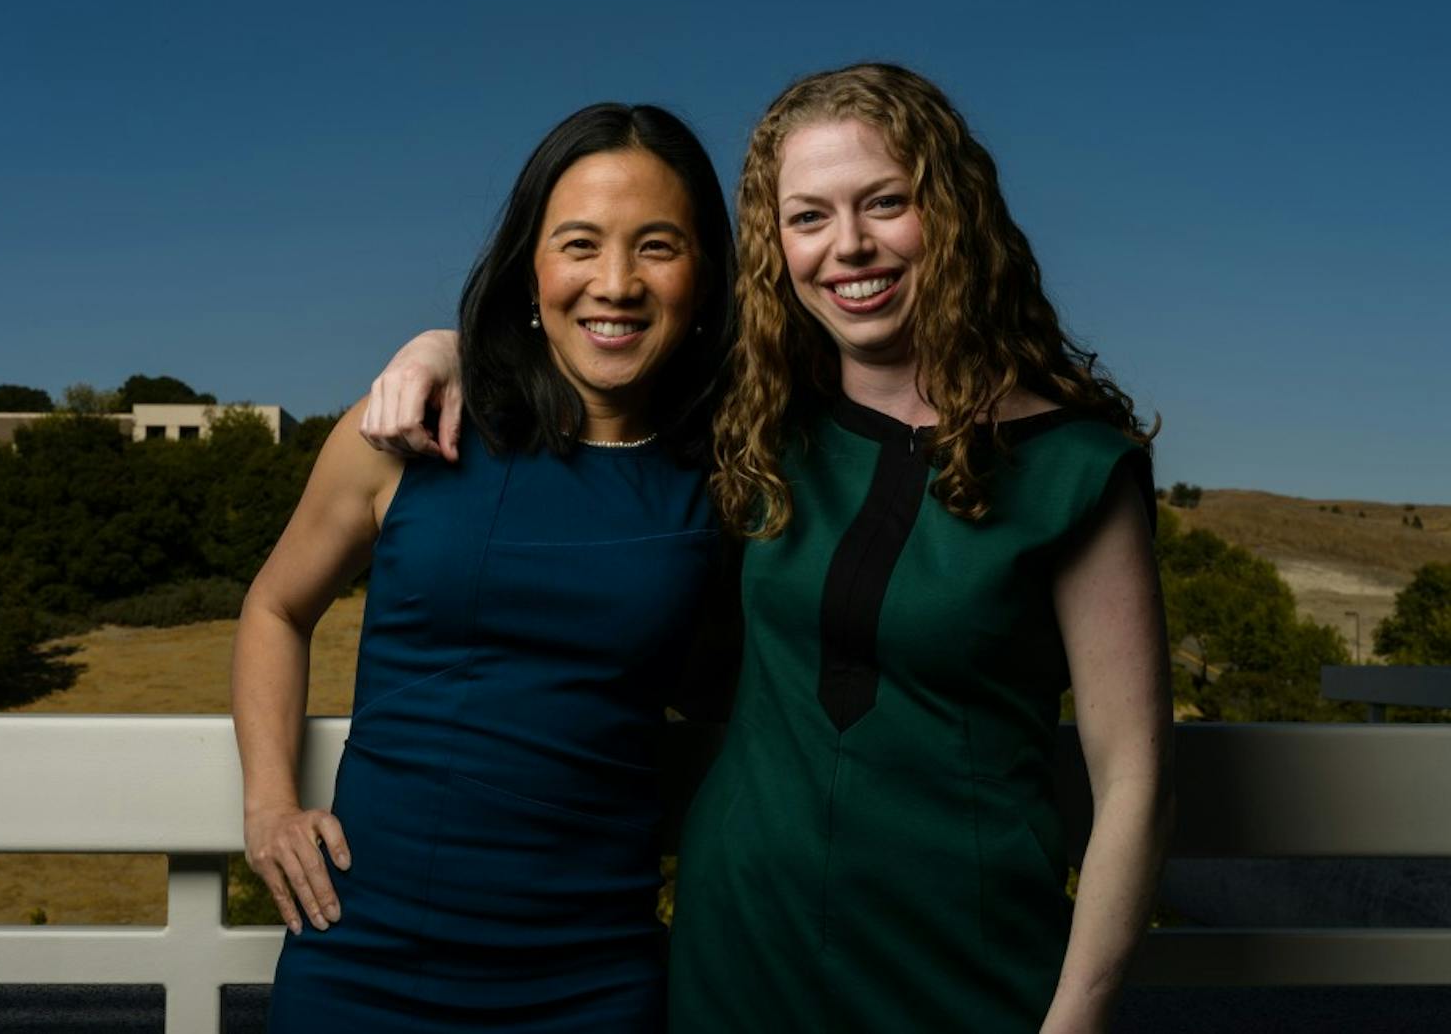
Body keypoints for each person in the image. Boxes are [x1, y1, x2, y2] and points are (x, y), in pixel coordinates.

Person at [363, 63, 1173, 1033]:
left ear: (954, 213)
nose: (849, 245)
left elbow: (1134, 782)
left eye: (886, 202)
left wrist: (1076, 1019)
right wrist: (442, 347)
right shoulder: (754, 430)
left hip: (969, 971)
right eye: (808, 217)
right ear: (773, 246)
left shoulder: (1075, 469)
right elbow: (598, 354)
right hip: (735, 961)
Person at [231, 101, 736, 1032]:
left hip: (592, 974)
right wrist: (269, 804)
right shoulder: (408, 431)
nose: (615, 283)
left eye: (657, 247)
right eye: (579, 244)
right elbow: (275, 608)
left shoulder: (729, 480)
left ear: (703, 275)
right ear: (530, 267)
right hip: (360, 953)